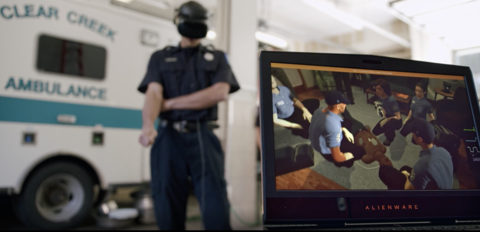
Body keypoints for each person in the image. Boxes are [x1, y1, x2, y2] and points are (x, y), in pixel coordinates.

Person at [137, 1, 240, 230]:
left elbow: (219, 92)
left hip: (203, 134)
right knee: (166, 201)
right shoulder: (160, 58)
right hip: (168, 137)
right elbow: (153, 93)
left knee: (215, 202)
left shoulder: (218, 58)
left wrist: (169, 103)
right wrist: (148, 126)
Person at [378, 117, 454, 190]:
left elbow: (407, 188)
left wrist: (407, 176)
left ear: (419, 139)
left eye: (413, 133)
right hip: (442, 189)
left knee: (384, 170)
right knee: (404, 168)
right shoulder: (444, 151)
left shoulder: (422, 165)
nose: (412, 135)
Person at [309, 91, 366, 168]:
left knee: (347, 122)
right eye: (344, 103)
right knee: (361, 151)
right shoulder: (333, 127)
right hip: (328, 152)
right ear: (338, 106)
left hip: (320, 141)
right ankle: (344, 164)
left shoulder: (319, 110)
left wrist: (344, 130)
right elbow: (338, 157)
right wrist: (348, 156)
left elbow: (323, 126)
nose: (345, 105)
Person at [371, 79, 402, 146]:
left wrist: (386, 120)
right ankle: (387, 129)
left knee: (388, 125)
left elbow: (398, 117)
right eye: (376, 89)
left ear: (385, 89)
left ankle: (390, 138)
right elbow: (383, 108)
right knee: (375, 132)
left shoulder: (392, 100)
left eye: (379, 89)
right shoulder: (381, 97)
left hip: (396, 120)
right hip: (388, 116)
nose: (377, 91)